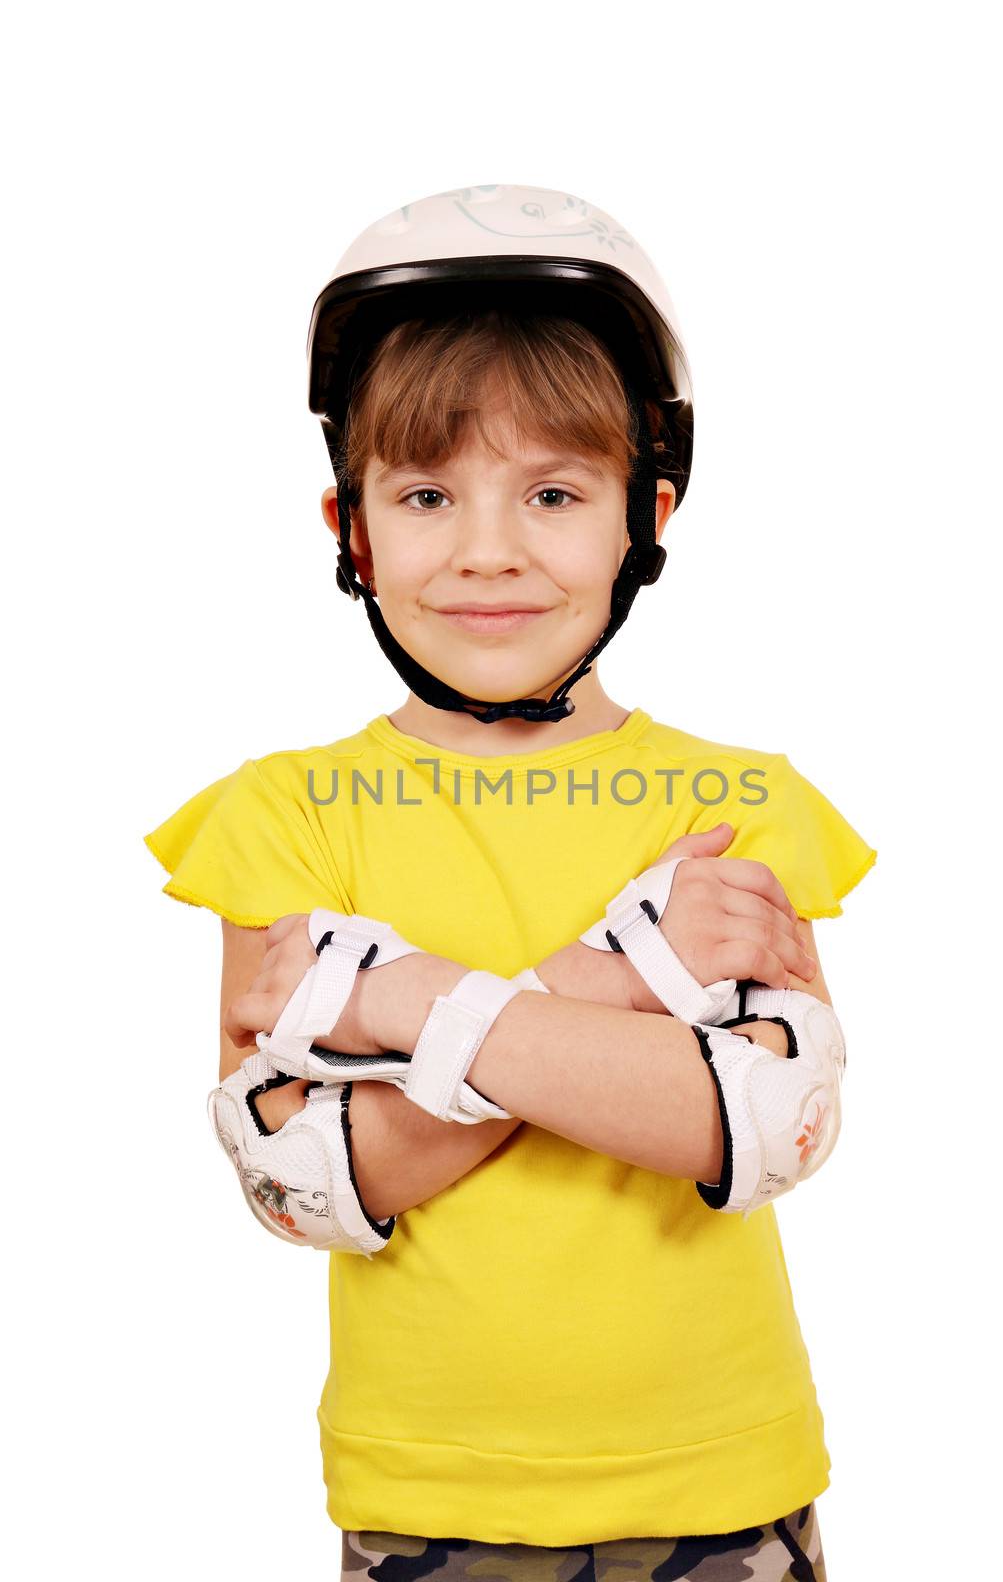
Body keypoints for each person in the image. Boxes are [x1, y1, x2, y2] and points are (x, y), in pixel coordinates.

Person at [144, 184, 876, 1581]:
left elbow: (769, 1124)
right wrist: (631, 977)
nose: (488, 550)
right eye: (426, 494)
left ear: (644, 517)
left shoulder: (737, 807)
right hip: (427, 1493)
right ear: (349, 525)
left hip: (725, 1478)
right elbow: (303, 1177)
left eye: (553, 492)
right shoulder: (279, 813)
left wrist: (390, 1000)